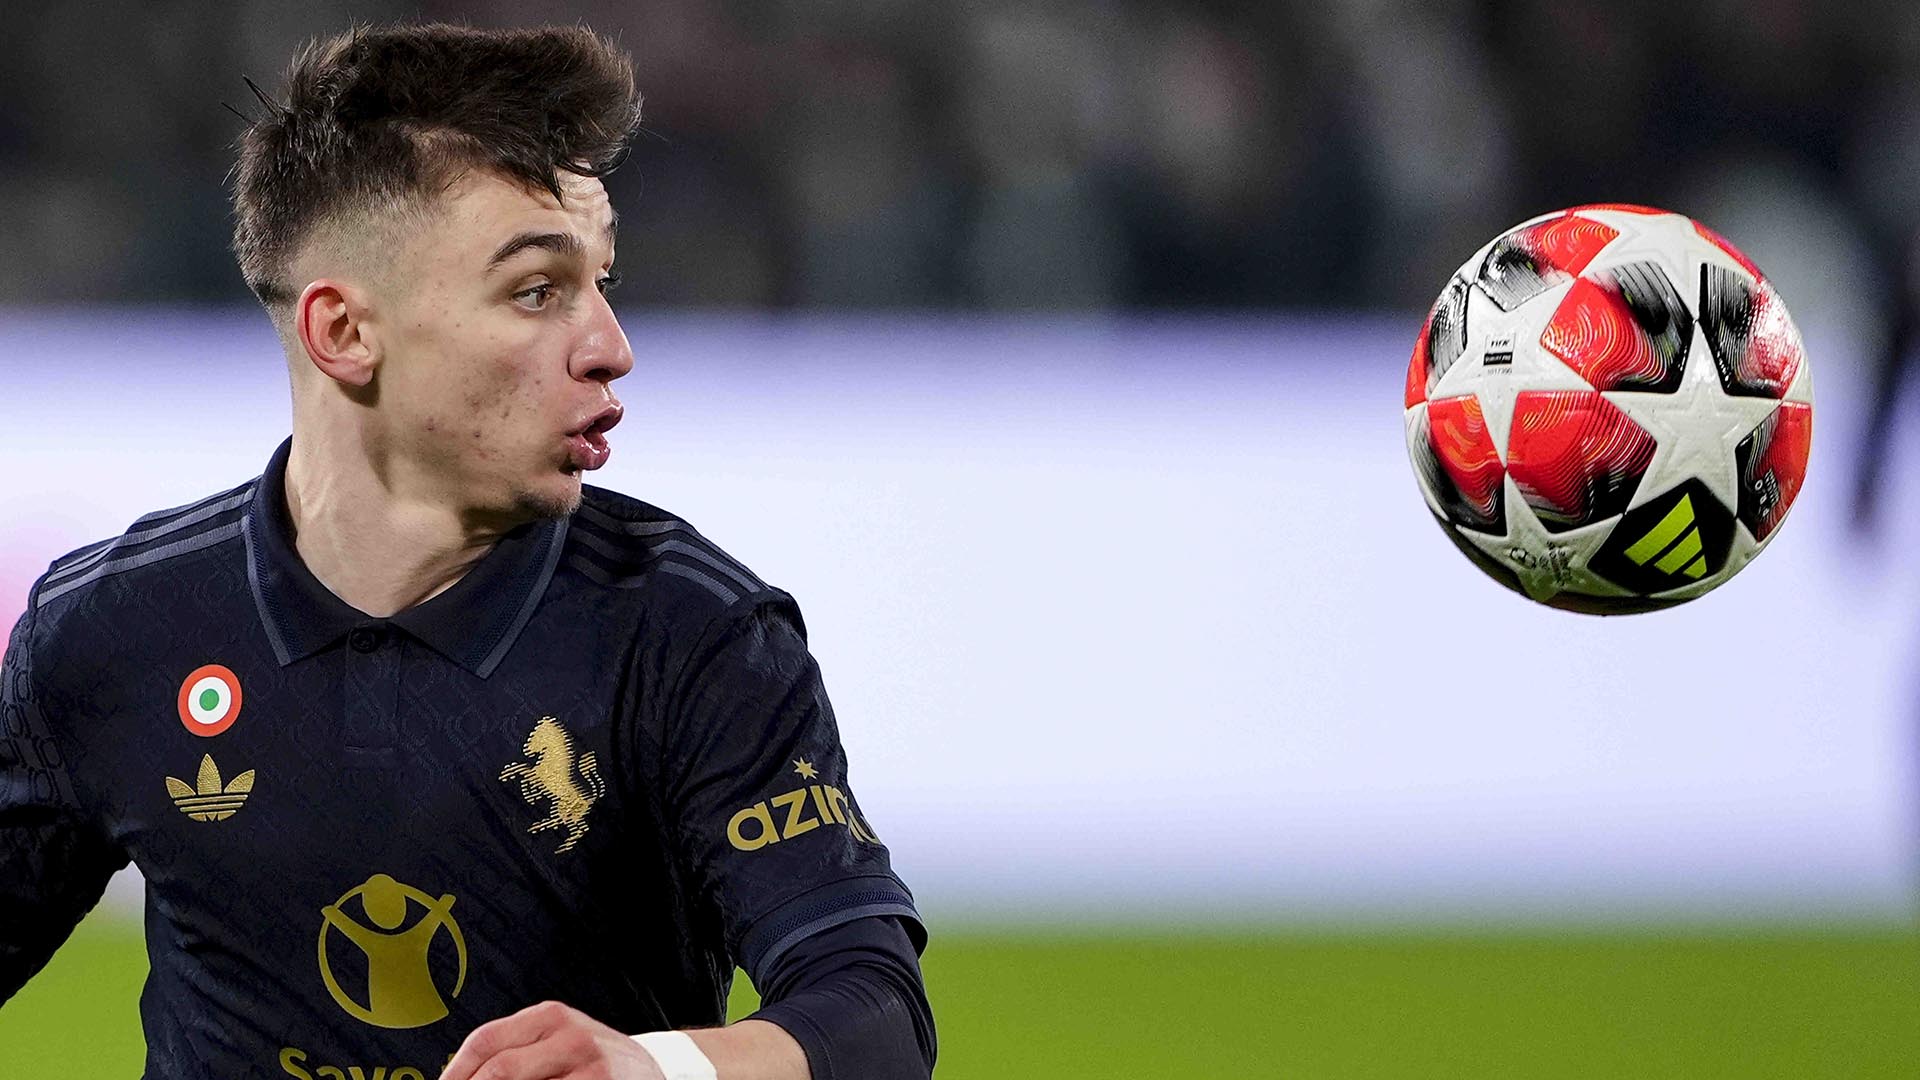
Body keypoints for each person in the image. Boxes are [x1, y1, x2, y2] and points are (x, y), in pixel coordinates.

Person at [0, 22, 934, 1080]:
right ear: (344, 333)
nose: (611, 347)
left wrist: (656, 1067)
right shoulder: (112, 630)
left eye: (603, 282)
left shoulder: (690, 635)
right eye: (538, 291)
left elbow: (877, 1017)